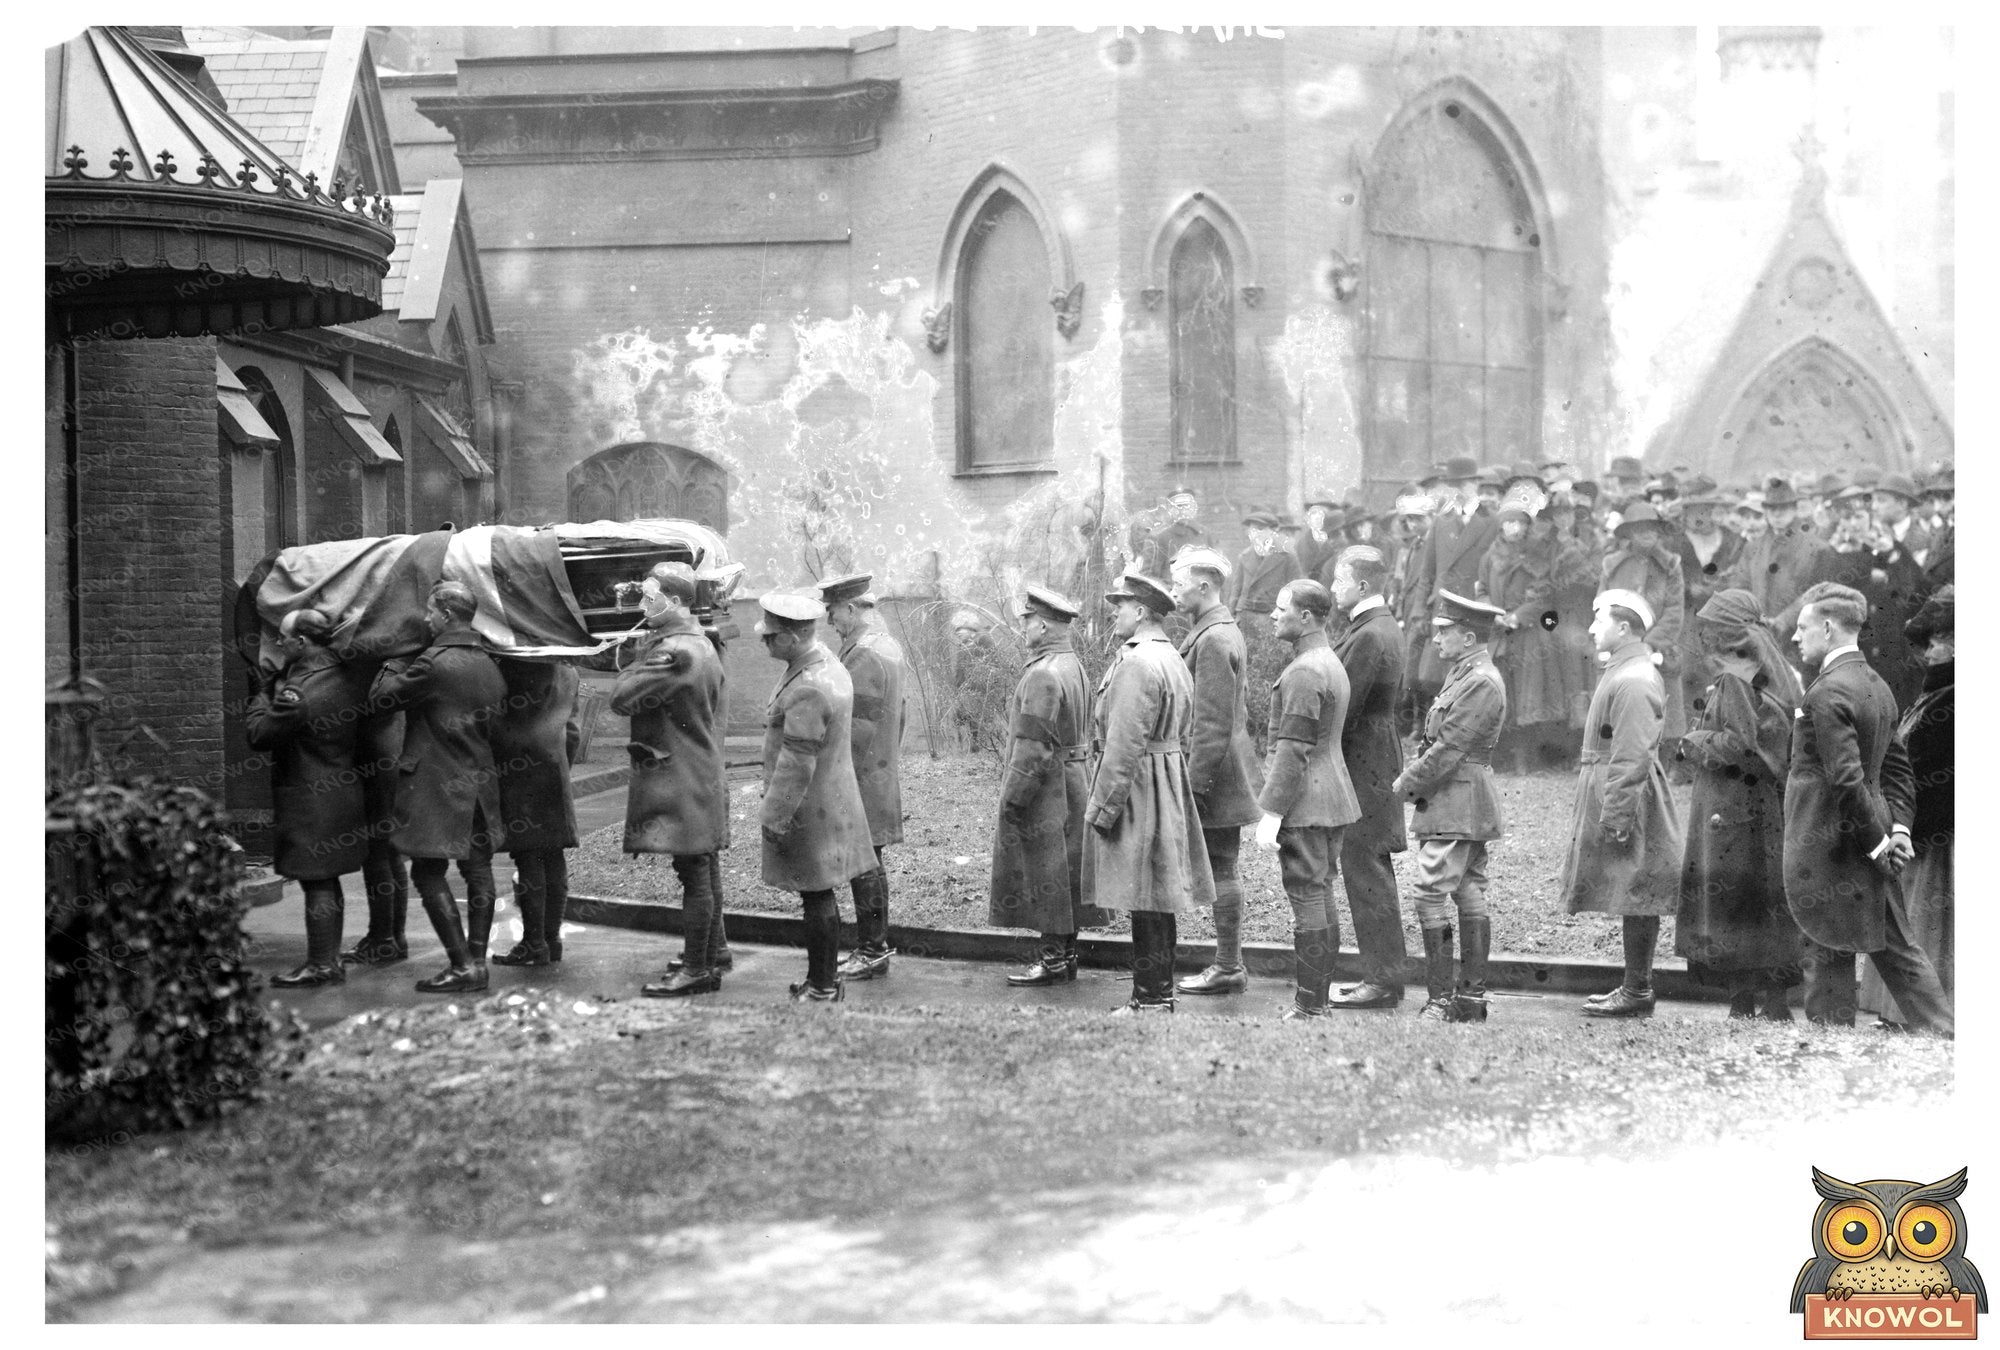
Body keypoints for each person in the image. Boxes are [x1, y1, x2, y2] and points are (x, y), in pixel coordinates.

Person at [1783, 582, 1952, 1035]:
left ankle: (1829, 1050)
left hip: (1830, 845)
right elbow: (1897, 769)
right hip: (1873, 837)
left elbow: (1845, 779)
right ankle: (1945, 1038)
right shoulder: (1876, 683)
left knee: (1825, 948)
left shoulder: (1826, 692)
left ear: (1827, 626)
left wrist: (1879, 844)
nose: (1796, 638)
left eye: (1802, 628)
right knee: (1899, 951)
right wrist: (1896, 829)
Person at [1083, 571, 1216, 1014]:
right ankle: (1157, 993)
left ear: (1140, 612)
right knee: (1156, 896)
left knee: (1146, 896)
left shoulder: (1139, 661)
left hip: (1141, 784)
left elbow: (1123, 745)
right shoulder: (1170, 656)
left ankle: (1152, 997)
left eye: (1119, 607)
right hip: (1164, 778)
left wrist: (1102, 809)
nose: (1113, 615)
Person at [368, 581, 509, 994]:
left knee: (429, 872)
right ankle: (477, 963)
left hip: (437, 784)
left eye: (431, 612)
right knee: (478, 870)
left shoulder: (431, 663)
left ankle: (461, 964)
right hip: (479, 783)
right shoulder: (488, 662)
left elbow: (380, 701)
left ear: (447, 615)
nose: (426, 618)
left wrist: (393, 659)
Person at [1672, 590, 1806, 1019]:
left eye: (1711, 628)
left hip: (1729, 805)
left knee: (1732, 900)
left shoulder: (1734, 677)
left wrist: (1694, 742)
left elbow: (1739, 744)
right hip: (1766, 803)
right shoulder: (1778, 669)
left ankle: (1743, 999)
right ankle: (1775, 1000)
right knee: (1765, 896)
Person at [610, 563, 731, 997]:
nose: (643, 604)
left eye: (650, 596)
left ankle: (697, 970)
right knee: (704, 864)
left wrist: (630, 659)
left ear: (675, 602)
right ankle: (713, 952)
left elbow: (621, 699)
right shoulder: (700, 642)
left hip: (679, 774)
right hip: (698, 769)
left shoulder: (674, 652)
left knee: (694, 871)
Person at [1564, 590, 1685, 1017]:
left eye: (1600, 621)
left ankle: (1638, 990)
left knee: (1639, 891)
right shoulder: (1625, 669)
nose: (1593, 628)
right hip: (1617, 787)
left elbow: (1631, 754)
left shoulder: (1633, 677)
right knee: (1634, 890)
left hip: (1629, 794)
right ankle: (1635, 986)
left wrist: (1616, 816)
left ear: (1624, 628)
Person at [755, 589, 879, 1003]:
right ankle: (822, 980)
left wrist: (773, 817)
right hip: (833, 800)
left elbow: (796, 764)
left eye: (770, 636)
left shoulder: (808, 685)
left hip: (808, 807)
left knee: (816, 894)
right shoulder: (827, 665)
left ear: (792, 638)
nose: (764, 642)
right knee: (818, 893)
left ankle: (824, 985)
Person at [1392, 590, 1509, 1023]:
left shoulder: (1480, 680)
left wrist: (1405, 784)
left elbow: (1449, 748)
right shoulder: (1465, 672)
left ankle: (1442, 1000)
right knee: (1466, 889)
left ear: (1469, 636)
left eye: (1445, 632)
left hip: (1458, 798)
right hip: (1458, 798)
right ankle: (1470, 999)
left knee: (1431, 892)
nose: (1436, 639)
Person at [245, 609, 374, 987]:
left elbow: (258, 734)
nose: (280, 644)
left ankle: (321, 964)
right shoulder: (344, 675)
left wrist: (261, 693)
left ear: (302, 642)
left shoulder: (298, 693)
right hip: (342, 792)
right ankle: (328, 960)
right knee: (327, 880)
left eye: (284, 638)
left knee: (315, 882)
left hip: (309, 799)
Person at [1253, 579, 1360, 1018]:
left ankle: (1309, 1007)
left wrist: (1272, 812)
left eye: (1282, 609)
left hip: (1307, 800)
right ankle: (1316, 1002)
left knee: (1307, 895)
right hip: (1333, 794)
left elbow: (1293, 748)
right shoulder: (1328, 661)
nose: (1275, 616)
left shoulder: (1303, 671)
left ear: (1307, 617)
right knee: (1321, 890)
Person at [990, 586, 1107, 984]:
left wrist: (1013, 797)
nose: (1023, 626)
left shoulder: (1043, 673)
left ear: (1042, 624)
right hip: (1076, 779)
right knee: (1066, 871)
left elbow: (1033, 747)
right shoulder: (1072, 664)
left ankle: (1053, 959)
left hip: (1048, 785)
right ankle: (1066, 954)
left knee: (1048, 872)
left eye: (1026, 619)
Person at [1164, 547, 1264, 997]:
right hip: (1220, 770)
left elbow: (1211, 724)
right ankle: (1228, 964)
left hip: (1214, 775)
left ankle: (1228, 966)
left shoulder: (1215, 638)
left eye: (1178, 582)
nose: (1173, 591)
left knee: (1222, 866)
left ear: (1203, 585)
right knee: (1223, 866)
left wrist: (1194, 787)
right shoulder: (1212, 631)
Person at [1859, 586, 1952, 1027]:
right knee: (1915, 918)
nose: (1932, 651)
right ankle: (1909, 1012)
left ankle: (1932, 1014)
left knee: (1936, 924)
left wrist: (1913, 823)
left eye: (1943, 640)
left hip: (1941, 831)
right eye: (1931, 640)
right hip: (1919, 825)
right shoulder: (1935, 690)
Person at [1324, 546, 1410, 1010]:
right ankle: (1382, 976)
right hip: (1372, 759)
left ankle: (1383, 980)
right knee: (1366, 867)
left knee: (1366, 868)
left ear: (1361, 586)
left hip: (1366, 764)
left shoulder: (1371, 635)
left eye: (1339, 580)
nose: (1333, 588)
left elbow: (1344, 706)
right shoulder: (1374, 628)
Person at [818, 573, 909, 982]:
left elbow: (857, 728)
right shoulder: (885, 645)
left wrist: (834, 776)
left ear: (852, 609)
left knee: (864, 864)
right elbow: (898, 718)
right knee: (868, 862)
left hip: (860, 776)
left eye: (833, 610)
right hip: (877, 771)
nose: (828, 619)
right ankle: (873, 949)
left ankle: (872, 951)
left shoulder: (864, 654)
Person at [486, 655, 581, 969]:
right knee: (553, 856)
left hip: (522, 772)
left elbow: (500, 724)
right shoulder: (568, 671)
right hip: (555, 768)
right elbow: (573, 731)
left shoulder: (515, 668)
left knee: (528, 858)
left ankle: (533, 943)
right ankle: (551, 941)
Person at [1476, 484, 1577, 772]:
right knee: (1499, 694)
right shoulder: (1489, 556)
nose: (1515, 528)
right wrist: (1491, 612)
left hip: (1527, 634)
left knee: (1528, 697)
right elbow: (1481, 588)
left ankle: (1525, 758)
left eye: (1520, 522)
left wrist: (1518, 616)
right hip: (1497, 634)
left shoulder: (1537, 555)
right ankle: (1501, 756)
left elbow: (1544, 592)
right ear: (1501, 524)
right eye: (1509, 522)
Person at [1405, 457, 1500, 730]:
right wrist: (1419, 610)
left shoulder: (1491, 522)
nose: (1458, 490)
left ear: (1475, 484)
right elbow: (1427, 573)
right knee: (1435, 675)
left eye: (1464, 483)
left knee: (1469, 673)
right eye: (1453, 484)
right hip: (1443, 607)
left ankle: (1465, 733)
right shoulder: (1441, 521)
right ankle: (1437, 733)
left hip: (1472, 608)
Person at [340, 666, 414, 968]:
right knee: (388, 853)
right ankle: (391, 937)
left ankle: (383, 939)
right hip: (389, 757)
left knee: (378, 854)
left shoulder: (380, 668)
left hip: (379, 761)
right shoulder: (393, 664)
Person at [1600, 502, 1686, 753]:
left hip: (1659, 648)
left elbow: (1674, 611)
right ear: (1629, 534)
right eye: (1640, 529)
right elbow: (1603, 606)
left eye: (1652, 529)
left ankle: (1666, 760)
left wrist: (1648, 644)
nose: (1647, 534)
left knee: (1664, 705)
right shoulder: (1612, 565)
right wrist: (1622, 642)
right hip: (1621, 646)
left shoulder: (1670, 565)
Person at [1723, 479, 1823, 618]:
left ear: (1794, 509)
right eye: (1772, 508)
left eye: (1783, 508)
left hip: (1799, 628)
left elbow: (1815, 594)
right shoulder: (1753, 548)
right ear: (1765, 510)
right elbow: (1739, 586)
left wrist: (1782, 622)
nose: (1776, 514)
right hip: (1759, 629)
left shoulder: (1815, 548)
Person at [1225, 512, 1301, 641]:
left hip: (1272, 617)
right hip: (1246, 616)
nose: (1255, 534)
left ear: (1273, 530)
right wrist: (1233, 614)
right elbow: (1236, 589)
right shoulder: (1244, 556)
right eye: (1252, 529)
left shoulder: (1287, 557)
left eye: (1260, 529)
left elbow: (1296, 591)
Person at [1137, 486, 1211, 577]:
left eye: (1187, 505)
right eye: (1179, 506)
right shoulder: (1157, 537)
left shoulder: (1204, 534)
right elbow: (1148, 576)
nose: (1183, 510)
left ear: (1194, 507)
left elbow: (1216, 569)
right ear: (1171, 509)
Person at [1295, 495, 1345, 586]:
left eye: (1322, 514)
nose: (1318, 517)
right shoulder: (1301, 544)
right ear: (1308, 519)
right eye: (1314, 513)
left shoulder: (1337, 541)